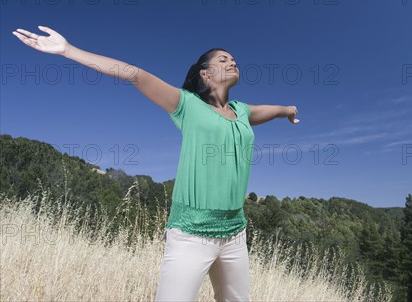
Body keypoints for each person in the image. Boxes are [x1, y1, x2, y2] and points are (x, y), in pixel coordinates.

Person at [12, 26, 300, 302]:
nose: (232, 62)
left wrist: (288, 110)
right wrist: (68, 50)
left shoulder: (241, 111)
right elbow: (136, 75)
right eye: (223, 59)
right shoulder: (186, 104)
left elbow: (267, 111)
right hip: (191, 233)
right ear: (206, 73)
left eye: (234, 60)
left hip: (236, 232)